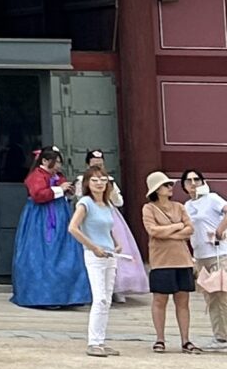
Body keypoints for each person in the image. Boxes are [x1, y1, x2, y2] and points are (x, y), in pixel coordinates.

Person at [11, 148, 86, 310]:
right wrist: (60, 189)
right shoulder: (36, 176)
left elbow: (62, 194)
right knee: (42, 254)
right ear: (44, 161)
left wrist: (69, 192)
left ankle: (66, 295)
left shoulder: (57, 177)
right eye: (56, 161)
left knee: (65, 253)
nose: (59, 165)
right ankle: (43, 296)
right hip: (41, 218)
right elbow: (38, 195)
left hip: (60, 215)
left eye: (59, 162)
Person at [68, 163, 126, 357]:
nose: (99, 183)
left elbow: (108, 227)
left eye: (102, 179)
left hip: (110, 254)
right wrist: (93, 246)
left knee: (107, 299)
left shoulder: (107, 204)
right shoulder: (85, 203)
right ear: (87, 183)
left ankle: (100, 340)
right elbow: (73, 228)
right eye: (94, 180)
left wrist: (116, 243)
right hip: (94, 255)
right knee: (99, 297)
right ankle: (93, 342)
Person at [142, 169, 200, 353]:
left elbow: (190, 229)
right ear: (156, 189)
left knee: (183, 301)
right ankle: (160, 339)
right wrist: (177, 227)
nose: (170, 187)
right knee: (160, 300)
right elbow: (153, 231)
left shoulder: (179, 207)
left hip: (182, 260)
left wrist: (169, 232)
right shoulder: (148, 208)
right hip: (161, 260)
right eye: (166, 185)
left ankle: (185, 340)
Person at [82, 150, 148, 300]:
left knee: (119, 247)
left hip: (110, 215)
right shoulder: (83, 180)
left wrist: (112, 192)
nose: (98, 164)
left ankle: (118, 288)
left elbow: (119, 202)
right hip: (91, 218)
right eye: (94, 161)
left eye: (100, 161)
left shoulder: (109, 180)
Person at [185, 168, 227, 349]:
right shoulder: (187, 206)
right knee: (211, 297)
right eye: (189, 180)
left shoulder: (212, 199)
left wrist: (220, 229)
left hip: (218, 253)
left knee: (222, 295)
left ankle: (223, 336)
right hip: (200, 255)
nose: (193, 184)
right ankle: (220, 335)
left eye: (197, 179)